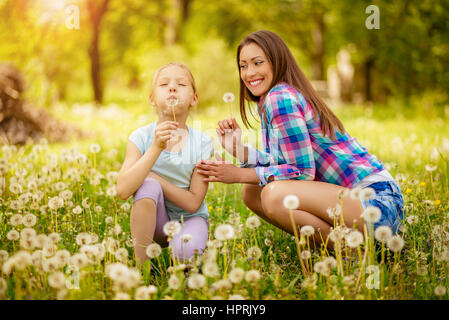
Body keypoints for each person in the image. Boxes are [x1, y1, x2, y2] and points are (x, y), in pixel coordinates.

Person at [195, 30, 403, 249]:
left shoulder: (280, 97)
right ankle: (336, 246)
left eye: (258, 63)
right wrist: (241, 151)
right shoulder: (270, 99)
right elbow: (286, 161)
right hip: (354, 202)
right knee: (252, 191)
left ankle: (349, 252)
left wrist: (238, 174)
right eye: (243, 66)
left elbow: (302, 172)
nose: (249, 73)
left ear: (277, 61)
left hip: (376, 203)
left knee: (274, 196)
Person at [117, 63, 214, 265]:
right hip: (153, 224)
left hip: (189, 220)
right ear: (152, 99)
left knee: (185, 254)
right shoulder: (141, 138)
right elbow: (123, 189)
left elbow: (194, 202)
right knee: (147, 185)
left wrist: (155, 177)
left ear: (194, 99)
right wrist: (156, 147)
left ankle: (182, 253)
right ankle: (141, 269)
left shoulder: (203, 143)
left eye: (181, 84)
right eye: (163, 84)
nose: (172, 87)